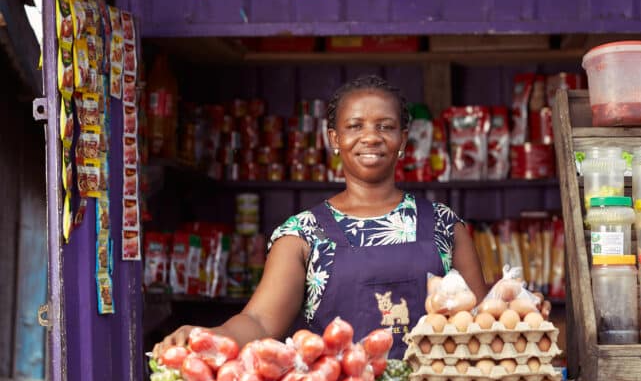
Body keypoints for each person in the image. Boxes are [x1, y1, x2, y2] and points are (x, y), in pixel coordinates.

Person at [153, 74, 486, 360]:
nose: (370, 136)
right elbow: (259, 321)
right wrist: (211, 336)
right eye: (355, 126)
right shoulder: (302, 233)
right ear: (334, 139)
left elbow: (484, 321)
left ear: (402, 139)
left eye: (385, 126)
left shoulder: (444, 224)